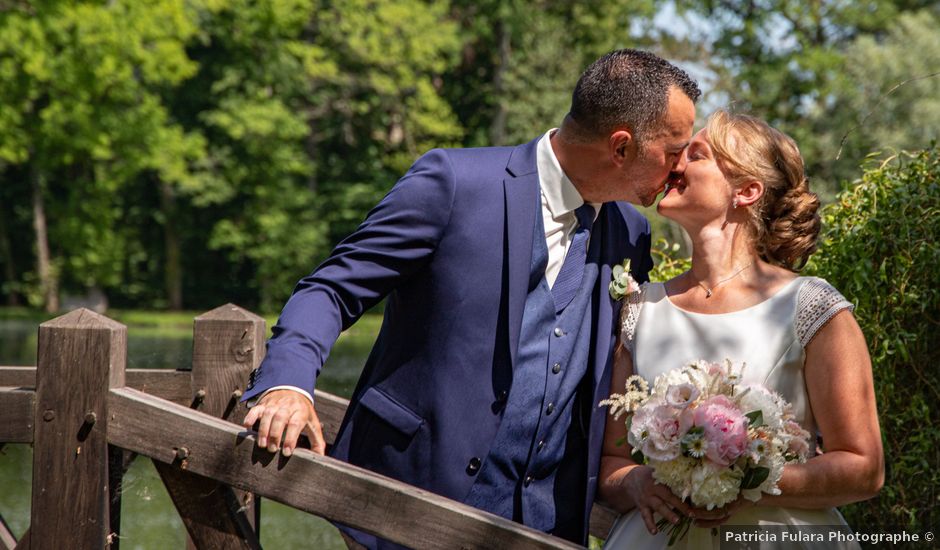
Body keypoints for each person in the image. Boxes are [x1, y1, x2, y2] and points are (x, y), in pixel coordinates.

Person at [239, 48, 700, 548]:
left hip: (549, 523)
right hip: (405, 503)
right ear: (621, 147)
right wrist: (287, 384)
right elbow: (331, 288)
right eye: (674, 150)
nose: (680, 169)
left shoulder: (630, 230)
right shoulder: (453, 184)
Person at [599, 110, 884, 549]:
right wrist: (638, 482)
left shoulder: (811, 306)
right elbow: (612, 462)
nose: (675, 163)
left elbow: (864, 468)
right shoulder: (642, 308)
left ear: (746, 191)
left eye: (697, 154)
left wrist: (747, 478)